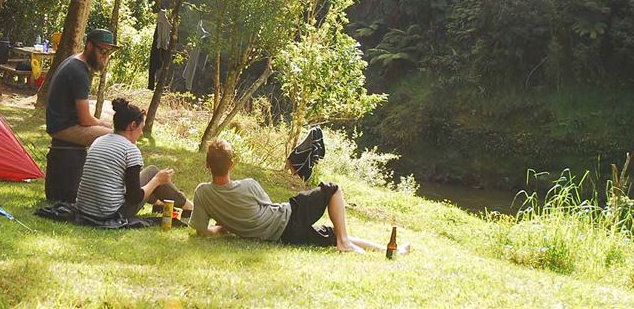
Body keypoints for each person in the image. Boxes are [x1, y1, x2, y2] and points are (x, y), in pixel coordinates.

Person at [191, 139, 409, 254]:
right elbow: (270, 206)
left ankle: (389, 250)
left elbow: (201, 231)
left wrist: (221, 227)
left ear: (207, 165)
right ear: (232, 164)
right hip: (288, 217)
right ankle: (344, 242)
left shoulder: (202, 193)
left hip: (285, 237)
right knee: (332, 189)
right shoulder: (248, 185)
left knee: (332, 234)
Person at [75, 98, 193, 220]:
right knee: (152, 172)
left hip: (84, 209)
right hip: (110, 214)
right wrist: (157, 180)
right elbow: (134, 197)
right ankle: (188, 207)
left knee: (147, 176)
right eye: (141, 128)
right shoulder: (129, 150)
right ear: (132, 126)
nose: (141, 133)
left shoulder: (99, 141)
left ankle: (159, 204)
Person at [46, 28, 117, 147]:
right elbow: (85, 120)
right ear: (89, 46)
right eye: (103, 51)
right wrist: (103, 124)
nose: (105, 57)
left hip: (62, 124)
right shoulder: (79, 72)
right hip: (63, 128)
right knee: (120, 140)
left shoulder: (75, 61)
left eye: (108, 53)